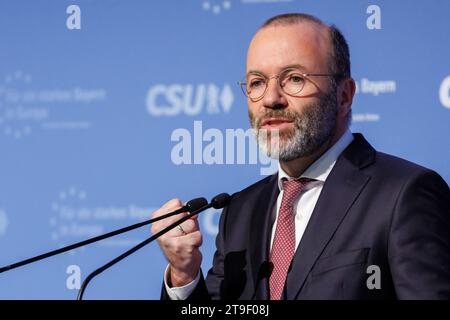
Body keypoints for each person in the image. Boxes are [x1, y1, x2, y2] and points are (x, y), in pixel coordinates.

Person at [151, 13, 450, 300]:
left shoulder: (405, 193)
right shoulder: (240, 212)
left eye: (294, 79)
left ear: (344, 95)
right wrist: (183, 276)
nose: (271, 99)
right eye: (257, 82)